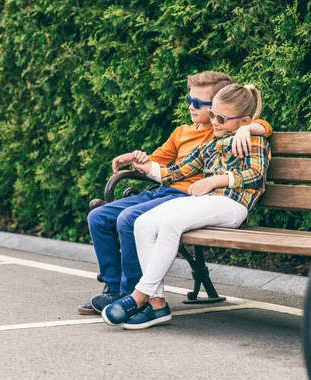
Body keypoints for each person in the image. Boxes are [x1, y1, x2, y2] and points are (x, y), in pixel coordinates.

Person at [79, 72, 272, 315]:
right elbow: (171, 169)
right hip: (182, 195)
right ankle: (131, 295)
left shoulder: (234, 133)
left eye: (206, 108)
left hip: (208, 199)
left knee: (137, 220)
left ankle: (135, 295)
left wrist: (250, 129)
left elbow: (258, 158)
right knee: (119, 219)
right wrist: (138, 162)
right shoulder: (198, 137)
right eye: (210, 113)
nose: (212, 120)